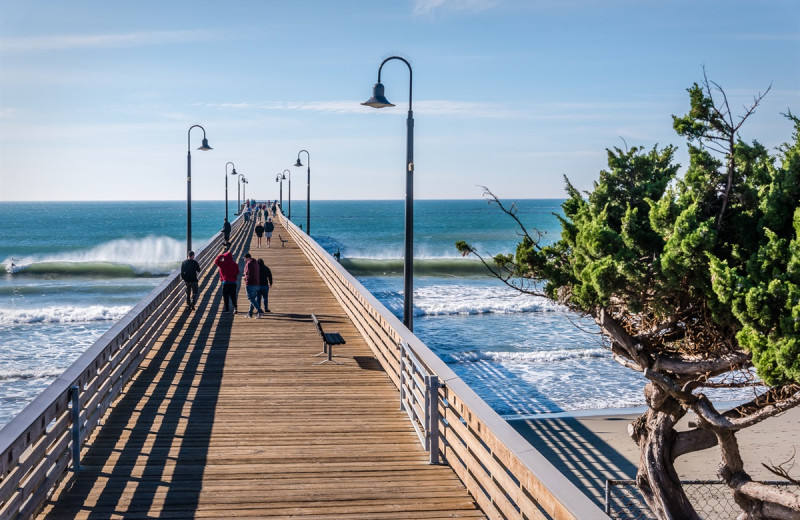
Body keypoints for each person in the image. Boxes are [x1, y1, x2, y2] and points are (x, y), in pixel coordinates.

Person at [214, 247, 239, 314]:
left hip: (225, 282)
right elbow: (237, 272)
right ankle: (235, 308)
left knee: (226, 296)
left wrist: (222, 255)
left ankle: (227, 309)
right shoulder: (235, 264)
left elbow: (216, 261)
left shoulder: (222, 264)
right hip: (233, 282)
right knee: (233, 295)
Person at [243, 253, 261, 317]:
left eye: (244, 258)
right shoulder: (256, 263)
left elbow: (248, 274)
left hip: (250, 284)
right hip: (257, 283)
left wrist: (245, 278)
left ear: (247, 258)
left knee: (250, 298)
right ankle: (250, 313)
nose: (244, 259)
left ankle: (260, 311)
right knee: (253, 298)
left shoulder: (249, 264)